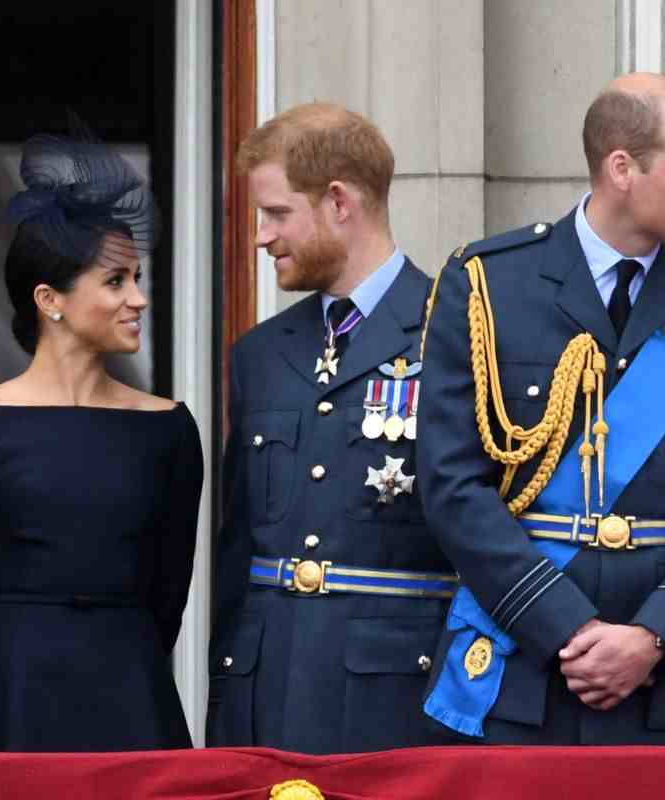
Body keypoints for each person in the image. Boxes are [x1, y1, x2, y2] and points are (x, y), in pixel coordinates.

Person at [417, 73, 665, 745]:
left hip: (659, 684)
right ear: (622, 169)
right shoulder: (489, 284)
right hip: (519, 665)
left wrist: (651, 636)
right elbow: (452, 486)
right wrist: (570, 630)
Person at [0, 130, 202, 751]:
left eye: (138, 277)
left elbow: (168, 599)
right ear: (50, 300)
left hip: (131, 701)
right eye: (116, 281)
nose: (139, 298)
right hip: (2, 702)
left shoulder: (169, 429)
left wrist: (124, 670)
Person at [206, 103, 456, 754]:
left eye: (277, 213)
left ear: (339, 201)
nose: (261, 236)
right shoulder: (260, 353)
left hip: (397, 697)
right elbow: (239, 554)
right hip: (267, 695)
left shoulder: (455, 333)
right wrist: (225, 700)